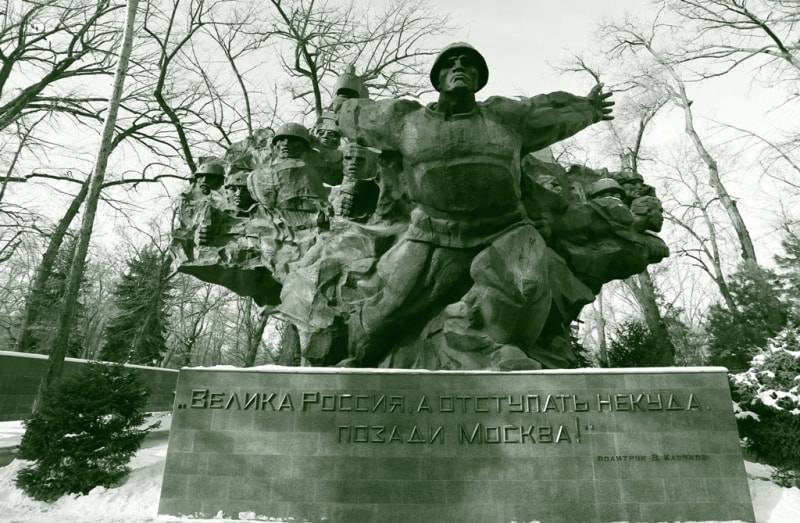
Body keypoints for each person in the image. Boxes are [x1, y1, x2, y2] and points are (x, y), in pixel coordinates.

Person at [337, 42, 614, 368]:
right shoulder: (405, 121)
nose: (459, 68)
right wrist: (343, 100)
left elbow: (548, 109)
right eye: (450, 64)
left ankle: (505, 347)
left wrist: (589, 108)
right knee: (387, 310)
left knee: (526, 280)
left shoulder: (507, 116)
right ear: (438, 79)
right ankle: (356, 368)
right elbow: (355, 116)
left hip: (505, 228)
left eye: (468, 65)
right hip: (434, 235)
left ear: (478, 78)